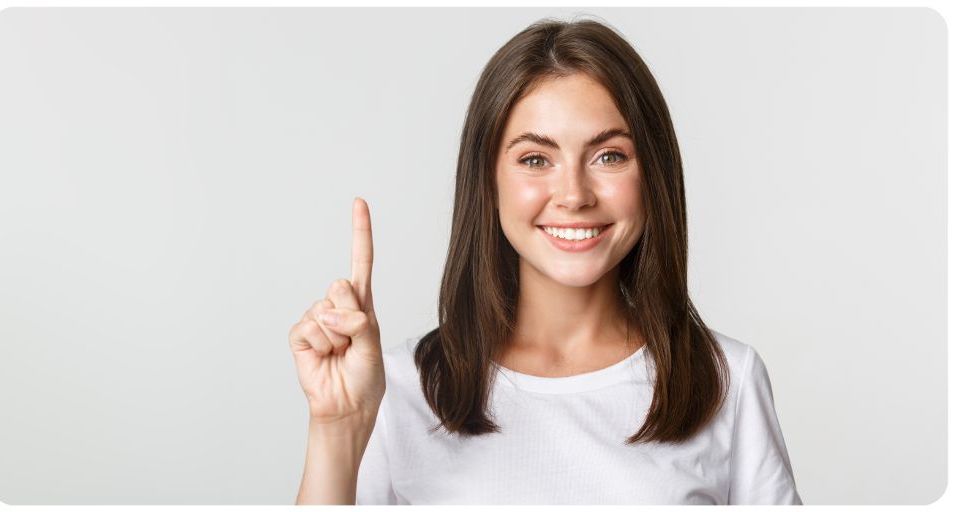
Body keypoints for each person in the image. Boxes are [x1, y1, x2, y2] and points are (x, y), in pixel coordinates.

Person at [289, 16, 803, 505]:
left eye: (610, 156)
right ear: (488, 182)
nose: (574, 194)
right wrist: (338, 429)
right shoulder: (398, 386)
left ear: (654, 176)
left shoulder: (725, 379)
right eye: (536, 159)